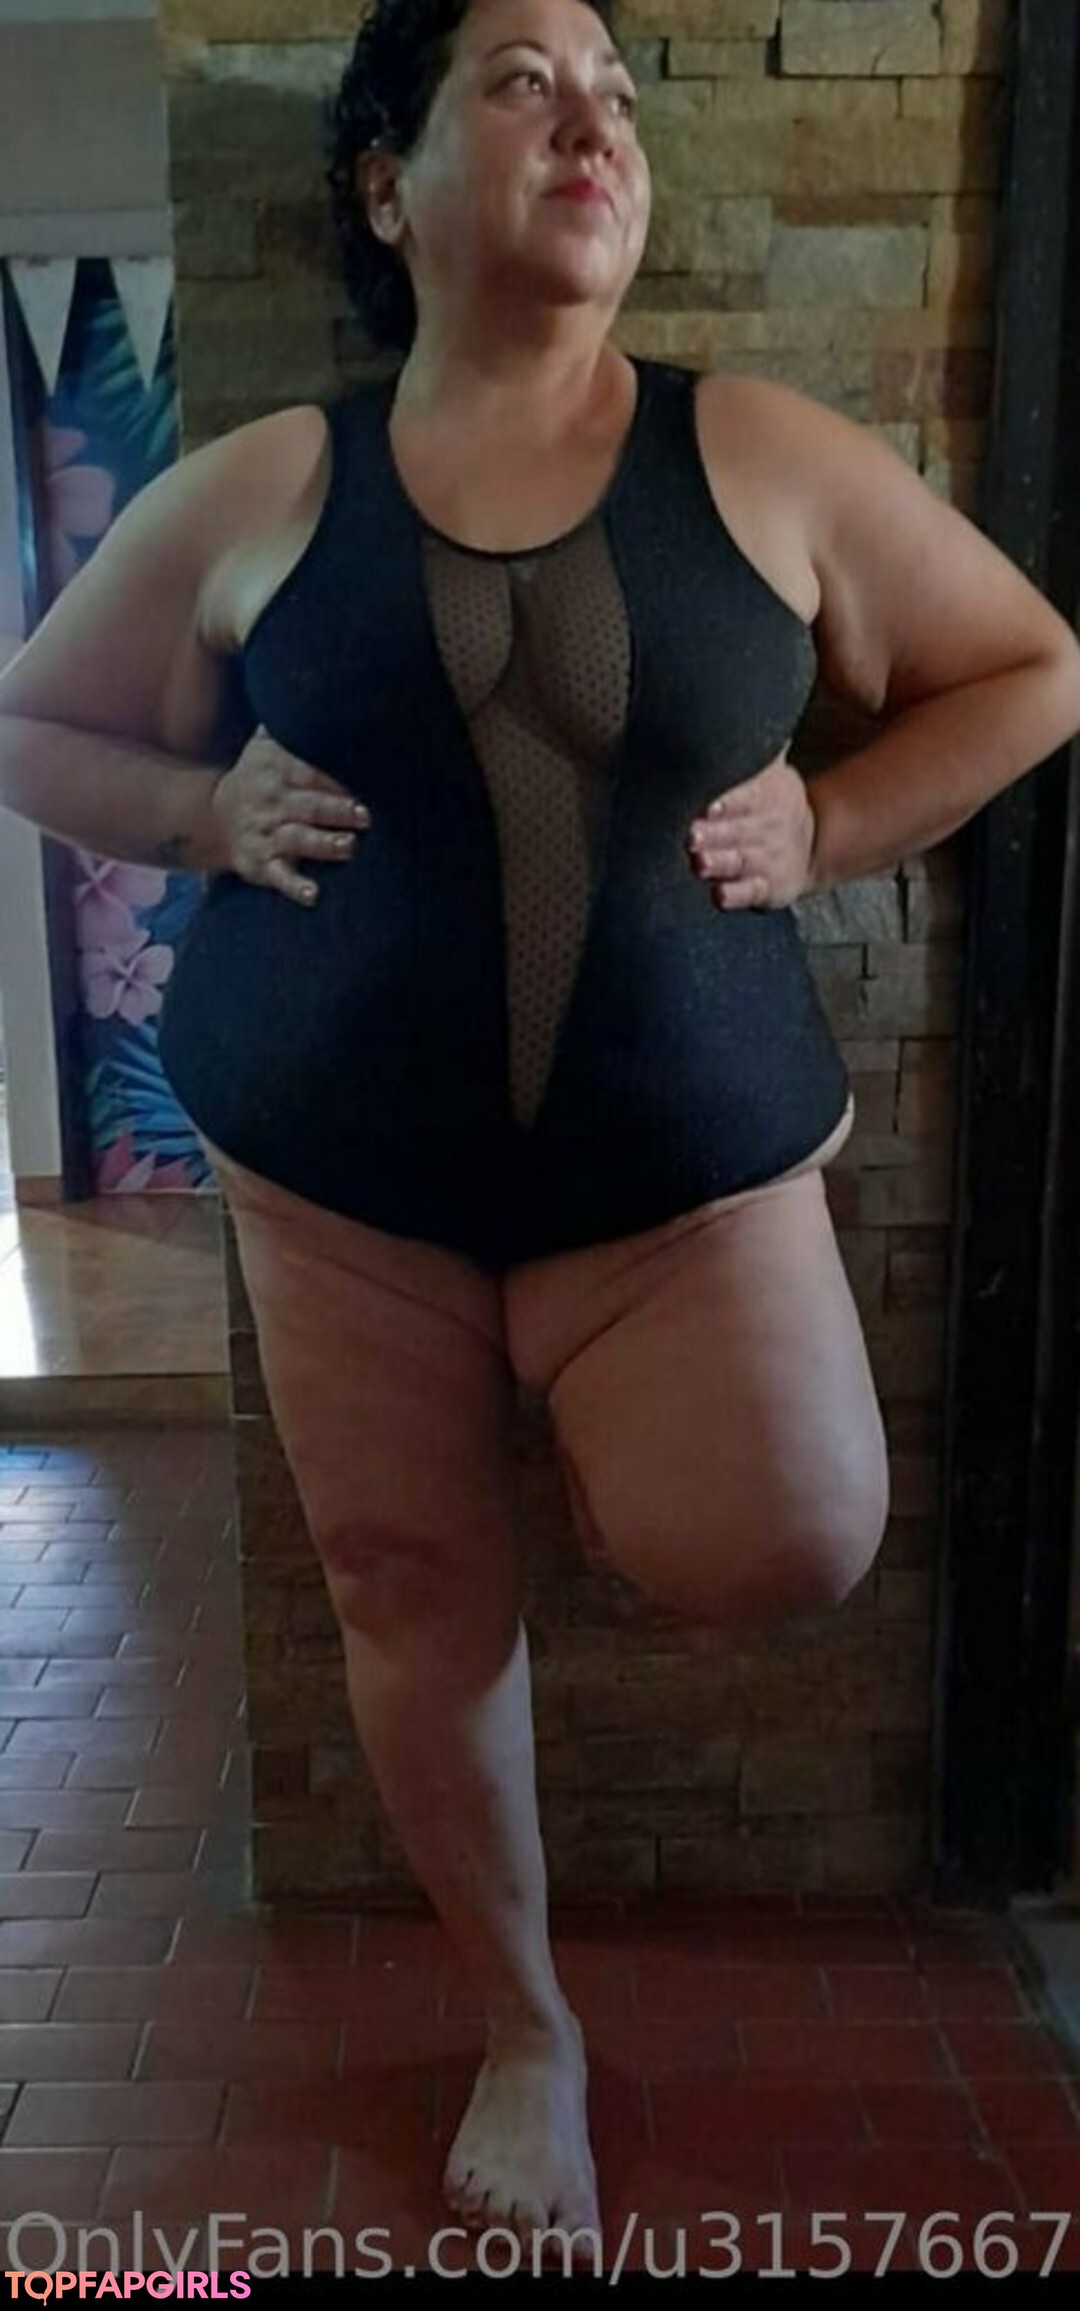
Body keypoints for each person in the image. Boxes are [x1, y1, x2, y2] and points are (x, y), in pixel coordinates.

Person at [2, 0, 1080, 2263]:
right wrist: (197, 808)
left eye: (615, 94)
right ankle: (529, 2032)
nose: (590, 120)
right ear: (384, 185)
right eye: (520, 82)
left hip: (676, 1190)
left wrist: (839, 820)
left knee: (794, 1526)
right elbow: (32, 724)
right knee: (409, 1594)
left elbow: (1034, 667)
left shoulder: (758, 453)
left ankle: (586, 1413)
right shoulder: (271, 483)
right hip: (339, 1188)